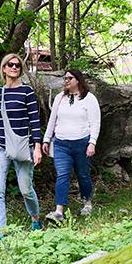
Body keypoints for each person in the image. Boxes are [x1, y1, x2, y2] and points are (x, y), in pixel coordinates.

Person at [0, 53, 43, 241]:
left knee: (26, 189)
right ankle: (0, 233)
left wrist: (37, 147)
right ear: (4, 68)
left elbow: (34, 120)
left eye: (18, 65)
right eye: (10, 65)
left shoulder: (27, 91)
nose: (14, 67)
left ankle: (35, 219)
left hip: (23, 147)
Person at [42, 68, 100, 223]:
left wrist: (92, 143)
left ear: (78, 80)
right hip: (61, 143)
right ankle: (59, 211)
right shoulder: (60, 97)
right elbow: (52, 119)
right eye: (65, 78)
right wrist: (46, 139)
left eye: (69, 78)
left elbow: (95, 123)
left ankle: (87, 202)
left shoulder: (89, 99)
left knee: (83, 174)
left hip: (81, 143)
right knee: (62, 174)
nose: (66, 81)